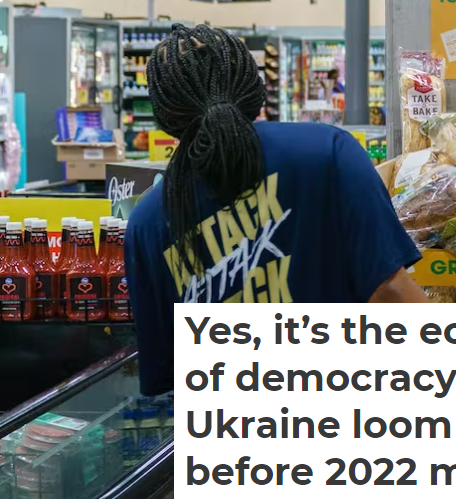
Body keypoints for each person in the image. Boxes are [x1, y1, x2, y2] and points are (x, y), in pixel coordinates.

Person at [126, 24, 428, 399]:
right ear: (254, 90)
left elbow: (167, 377)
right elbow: (392, 294)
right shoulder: (329, 151)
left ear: (166, 118)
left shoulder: (147, 220)